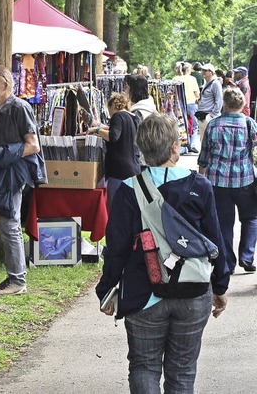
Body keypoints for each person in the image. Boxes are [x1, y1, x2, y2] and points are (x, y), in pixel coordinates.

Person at [96, 113, 229, 393]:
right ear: (174, 147)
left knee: (143, 366)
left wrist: (107, 287)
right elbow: (215, 241)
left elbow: (117, 247)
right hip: (193, 291)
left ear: (141, 149)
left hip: (143, 293)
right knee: (182, 371)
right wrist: (219, 285)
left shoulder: (129, 190)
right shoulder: (200, 186)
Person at [0, 65, 45, 296]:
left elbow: (33, 145)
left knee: (10, 224)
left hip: (14, 174)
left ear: (6, 85)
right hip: (5, 171)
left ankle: (17, 280)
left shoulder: (19, 107)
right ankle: (14, 277)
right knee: (7, 223)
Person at [198, 87, 257, 273]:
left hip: (218, 182)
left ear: (224, 103)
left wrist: (201, 179)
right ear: (242, 104)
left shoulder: (213, 125)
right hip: (245, 181)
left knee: (224, 223)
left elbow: (204, 156)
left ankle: (228, 263)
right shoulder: (249, 124)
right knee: (251, 218)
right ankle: (247, 257)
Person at [86, 93, 141, 207]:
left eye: (109, 109)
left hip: (119, 171)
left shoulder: (118, 116)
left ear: (114, 106)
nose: (110, 114)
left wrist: (97, 131)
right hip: (134, 168)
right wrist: (100, 128)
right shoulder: (134, 118)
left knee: (116, 208)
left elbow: (113, 135)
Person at [173, 62, 201, 153]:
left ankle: (183, 146)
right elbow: (196, 93)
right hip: (191, 103)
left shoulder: (176, 78)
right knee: (194, 125)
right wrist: (197, 99)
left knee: (182, 125)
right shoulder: (192, 79)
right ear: (188, 69)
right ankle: (192, 144)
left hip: (180, 104)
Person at [196, 63, 223, 142]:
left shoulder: (215, 83)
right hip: (203, 116)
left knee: (211, 141)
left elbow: (219, 100)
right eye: (202, 70)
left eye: (205, 70)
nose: (203, 72)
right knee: (203, 140)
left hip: (209, 116)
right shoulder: (206, 83)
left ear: (211, 72)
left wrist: (212, 115)